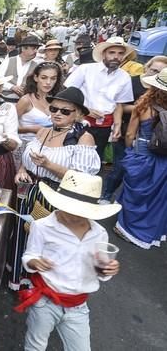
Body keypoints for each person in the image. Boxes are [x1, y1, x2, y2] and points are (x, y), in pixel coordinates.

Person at [17, 170, 121, 351]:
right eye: (68, 209)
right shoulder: (42, 226)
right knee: (35, 346)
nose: (72, 216)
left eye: (79, 212)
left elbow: (100, 267)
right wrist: (34, 262)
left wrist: (107, 269)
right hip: (45, 302)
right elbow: (29, 255)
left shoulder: (99, 234)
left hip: (78, 306)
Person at [12, 87, 101, 290]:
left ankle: (44, 286)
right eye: (54, 109)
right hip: (30, 192)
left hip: (57, 198)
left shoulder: (82, 138)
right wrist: (22, 169)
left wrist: (48, 165)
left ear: (77, 114)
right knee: (24, 235)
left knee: (48, 242)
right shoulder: (44, 130)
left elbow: (82, 179)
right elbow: (28, 156)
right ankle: (20, 277)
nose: (57, 114)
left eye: (65, 111)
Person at [101, 56, 167, 203]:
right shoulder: (132, 82)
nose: (155, 73)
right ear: (146, 67)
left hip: (142, 147)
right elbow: (118, 104)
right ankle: (107, 195)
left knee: (136, 182)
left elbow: (131, 133)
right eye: (154, 70)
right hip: (128, 135)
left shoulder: (145, 105)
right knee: (122, 170)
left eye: (160, 72)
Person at [114, 67, 167, 248]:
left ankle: (126, 228)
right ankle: (147, 231)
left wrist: (131, 151)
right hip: (164, 160)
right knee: (155, 198)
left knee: (135, 193)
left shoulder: (143, 105)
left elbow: (129, 134)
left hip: (142, 155)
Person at [64, 36, 133, 160]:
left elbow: (118, 104)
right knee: (72, 156)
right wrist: (86, 109)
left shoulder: (125, 77)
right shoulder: (85, 69)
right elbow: (67, 93)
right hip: (80, 121)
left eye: (120, 53)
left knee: (95, 158)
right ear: (103, 54)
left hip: (105, 126)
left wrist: (117, 125)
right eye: (112, 52)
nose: (116, 57)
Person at [0, 34, 41, 103]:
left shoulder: (36, 66)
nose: (36, 51)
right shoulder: (9, 61)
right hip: (5, 101)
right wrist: (11, 87)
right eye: (33, 48)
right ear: (23, 48)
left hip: (25, 103)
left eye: (37, 48)